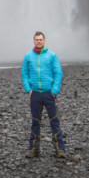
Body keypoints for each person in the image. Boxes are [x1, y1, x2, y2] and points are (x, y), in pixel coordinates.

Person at [21, 31, 66, 159]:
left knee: (54, 121)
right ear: (34, 41)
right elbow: (24, 73)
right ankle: (33, 150)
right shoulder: (28, 56)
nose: (39, 41)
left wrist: (54, 91)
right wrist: (28, 89)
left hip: (48, 94)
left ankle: (60, 149)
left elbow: (58, 73)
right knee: (35, 122)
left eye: (41, 39)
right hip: (35, 94)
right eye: (36, 39)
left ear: (45, 41)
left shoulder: (52, 56)